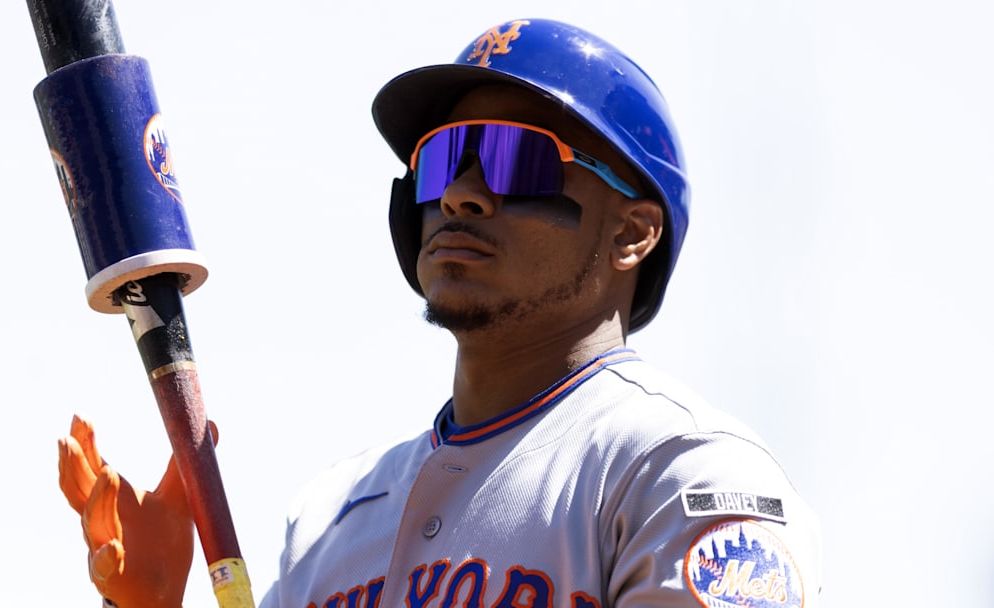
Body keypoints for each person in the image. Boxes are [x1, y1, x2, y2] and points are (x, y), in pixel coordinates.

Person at [58, 18, 822, 608]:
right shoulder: (332, 518)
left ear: (630, 233)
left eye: (511, 158)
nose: (460, 192)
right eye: (440, 158)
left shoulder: (680, 472)